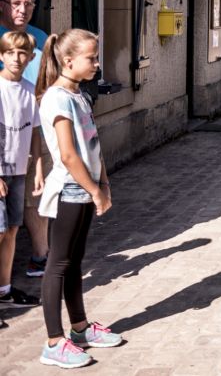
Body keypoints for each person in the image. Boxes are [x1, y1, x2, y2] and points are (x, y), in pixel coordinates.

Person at [35, 28, 121, 368]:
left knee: (74, 262)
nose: (97, 64)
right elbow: (69, 155)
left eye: (97, 57)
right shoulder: (57, 98)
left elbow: (92, 145)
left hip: (84, 190)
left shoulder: (79, 96)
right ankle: (54, 342)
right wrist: (94, 190)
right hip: (69, 191)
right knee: (58, 264)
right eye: (92, 58)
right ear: (68, 60)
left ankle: (81, 329)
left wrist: (105, 184)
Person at [0, 0, 50, 278]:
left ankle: (40, 255)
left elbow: (49, 80)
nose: (23, 10)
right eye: (16, 3)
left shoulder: (40, 38)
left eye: (28, 4)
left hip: (32, 127)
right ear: (2, 5)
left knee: (34, 194)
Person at [0, 30, 43, 310]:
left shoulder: (28, 90)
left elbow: (36, 133)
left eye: (22, 53)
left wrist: (38, 168)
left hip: (19, 170)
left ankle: (3, 290)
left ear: (30, 58)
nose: (17, 58)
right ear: (1, 55)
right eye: (10, 53)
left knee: (13, 229)